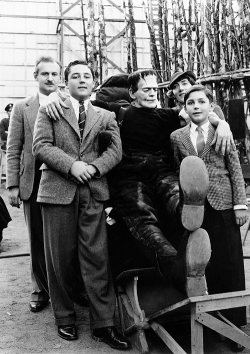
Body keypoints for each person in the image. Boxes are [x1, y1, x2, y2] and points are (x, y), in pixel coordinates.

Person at [44, 69, 235, 280]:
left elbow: (206, 112)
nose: (153, 93)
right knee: (145, 222)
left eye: (155, 89)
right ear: (132, 93)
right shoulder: (117, 111)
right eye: (146, 90)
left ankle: (189, 213)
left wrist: (222, 123)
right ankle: (178, 267)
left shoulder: (169, 114)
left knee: (175, 196)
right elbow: (79, 100)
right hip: (130, 176)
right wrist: (53, 96)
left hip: (161, 170)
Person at [32, 60, 131, 350]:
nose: (82, 80)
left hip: (93, 191)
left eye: (87, 76)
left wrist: (95, 168)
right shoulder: (50, 109)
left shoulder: (105, 115)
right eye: (75, 76)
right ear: (66, 83)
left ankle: (104, 324)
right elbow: (41, 145)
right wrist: (72, 165)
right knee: (59, 259)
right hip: (58, 191)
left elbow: (116, 150)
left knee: (97, 259)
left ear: (93, 82)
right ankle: (65, 317)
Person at [170, 84, 247, 350]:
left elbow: (234, 167)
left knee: (232, 264)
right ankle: (213, 323)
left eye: (201, 102)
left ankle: (236, 324)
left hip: (224, 204)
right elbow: (178, 174)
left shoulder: (220, 130)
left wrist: (240, 204)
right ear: (185, 107)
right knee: (206, 264)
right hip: (196, 209)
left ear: (210, 105)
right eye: (191, 103)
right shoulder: (178, 137)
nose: (196, 107)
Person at [6, 56, 62, 313]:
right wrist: (13, 185)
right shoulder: (22, 108)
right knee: (37, 240)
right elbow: (13, 148)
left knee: (63, 240)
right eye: (44, 74)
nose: (50, 78)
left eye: (54, 73)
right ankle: (39, 290)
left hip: (62, 180)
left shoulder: (68, 104)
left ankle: (67, 289)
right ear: (36, 76)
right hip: (33, 182)